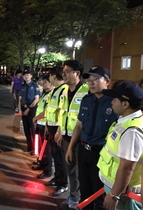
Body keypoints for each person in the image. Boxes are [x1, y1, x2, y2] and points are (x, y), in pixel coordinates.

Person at [65, 66, 118, 210]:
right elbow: (79, 126)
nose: (91, 83)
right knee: (85, 191)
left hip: (102, 155)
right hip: (83, 152)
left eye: (96, 80)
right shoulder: (87, 100)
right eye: (89, 80)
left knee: (100, 196)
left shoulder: (115, 103)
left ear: (107, 81)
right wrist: (71, 148)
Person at [97, 82, 143, 210]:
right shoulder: (125, 121)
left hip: (124, 194)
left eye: (115, 99)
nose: (111, 102)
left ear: (125, 104)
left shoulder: (132, 131)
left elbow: (127, 168)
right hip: (116, 188)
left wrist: (114, 195)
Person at [57, 60, 89, 209]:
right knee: (70, 168)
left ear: (77, 73)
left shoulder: (87, 91)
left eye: (66, 71)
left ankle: (83, 199)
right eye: (63, 72)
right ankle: (74, 197)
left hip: (81, 138)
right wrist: (59, 131)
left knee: (81, 171)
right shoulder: (64, 90)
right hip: (66, 136)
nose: (63, 75)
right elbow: (62, 113)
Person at [41, 67, 69, 196]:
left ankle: (63, 184)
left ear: (53, 76)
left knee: (60, 158)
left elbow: (63, 113)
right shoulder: (56, 90)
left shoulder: (64, 90)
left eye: (49, 76)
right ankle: (57, 178)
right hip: (52, 128)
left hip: (58, 130)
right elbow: (51, 111)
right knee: (55, 156)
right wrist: (47, 125)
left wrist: (59, 131)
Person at [32, 75, 54, 173]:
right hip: (40, 124)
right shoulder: (45, 94)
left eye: (45, 82)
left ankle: (47, 169)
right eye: (43, 82)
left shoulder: (51, 95)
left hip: (45, 125)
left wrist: (36, 118)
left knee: (46, 149)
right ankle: (41, 162)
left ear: (51, 84)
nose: (43, 84)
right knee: (42, 148)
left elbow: (46, 112)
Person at [19, 70, 40, 155]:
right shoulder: (22, 86)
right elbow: (19, 99)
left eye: (28, 75)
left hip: (32, 110)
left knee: (33, 129)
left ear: (31, 76)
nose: (26, 76)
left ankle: (35, 148)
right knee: (26, 129)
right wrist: (19, 109)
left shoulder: (35, 86)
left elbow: (36, 99)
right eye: (25, 75)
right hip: (23, 109)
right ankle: (29, 146)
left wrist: (28, 109)